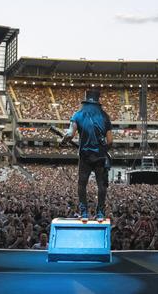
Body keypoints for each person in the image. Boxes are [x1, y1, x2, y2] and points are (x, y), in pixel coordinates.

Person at [61, 89, 113, 222]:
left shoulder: (78, 115)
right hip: (100, 156)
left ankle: (84, 212)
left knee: (82, 183)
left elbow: (70, 134)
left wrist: (64, 140)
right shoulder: (105, 116)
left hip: (85, 155)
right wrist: (102, 150)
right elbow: (110, 141)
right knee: (101, 185)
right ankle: (100, 213)